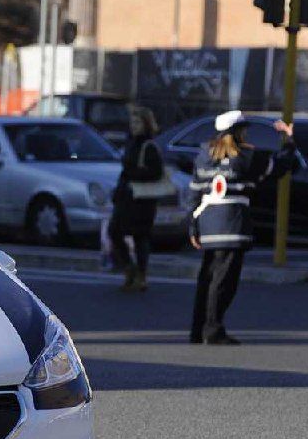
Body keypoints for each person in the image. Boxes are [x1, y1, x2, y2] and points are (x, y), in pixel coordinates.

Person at [188, 110, 297, 345]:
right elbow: (283, 165)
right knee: (224, 282)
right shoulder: (247, 155)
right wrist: (288, 140)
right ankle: (213, 330)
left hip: (207, 224)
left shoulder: (203, 155)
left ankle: (198, 330)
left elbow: (194, 193)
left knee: (207, 279)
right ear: (238, 132)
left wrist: (193, 227)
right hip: (232, 225)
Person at [108, 108, 165, 291]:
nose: (134, 127)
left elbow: (156, 173)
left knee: (140, 236)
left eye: (138, 123)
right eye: (132, 123)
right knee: (114, 231)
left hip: (142, 199)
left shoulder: (149, 146)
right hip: (126, 197)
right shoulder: (130, 143)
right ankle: (129, 268)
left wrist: (134, 174)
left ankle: (141, 274)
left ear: (146, 124)